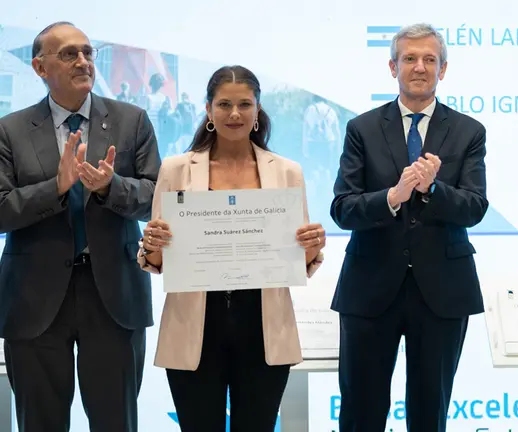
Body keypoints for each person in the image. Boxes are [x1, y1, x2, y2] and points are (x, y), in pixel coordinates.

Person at [137, 65, 326, 431]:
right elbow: (156, 260)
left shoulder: (288, 172)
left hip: (263, 323)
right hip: (195, 323)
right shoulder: (176, 169)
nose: (234, 114)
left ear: (258, 111)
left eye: (244, 104)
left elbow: (299, 261)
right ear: (208, 110)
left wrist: (310, 245)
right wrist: (152, 243)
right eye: (224, 104)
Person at [0, 21, 160, 431]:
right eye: (69, 54)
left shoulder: (132, 120)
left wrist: (111, 187)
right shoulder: (10, 130)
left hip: (114, 296)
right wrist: (55, 188)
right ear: (39, 67)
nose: (83, 61)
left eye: (88, 53)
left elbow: (158, 199)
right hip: (34, 299)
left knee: (115, 422)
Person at [330, 23, 488, 431]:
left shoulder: (469, 131)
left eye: (430, 59)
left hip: (442, 291)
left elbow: (474, 208)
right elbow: (343, 208)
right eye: (410, 59)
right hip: (370, 288)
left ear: (443, 69)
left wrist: (433, 187)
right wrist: (393, 196)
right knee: (360, 413)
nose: (420, 67)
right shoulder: (361, 129)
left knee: (429, 414)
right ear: (392, 66)